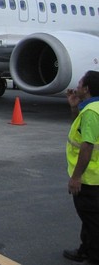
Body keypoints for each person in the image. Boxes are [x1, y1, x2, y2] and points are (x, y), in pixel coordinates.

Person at [63, 70, 99, 263]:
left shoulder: (92, 112)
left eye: (80, 84)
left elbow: (87, 146)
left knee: (92, 221)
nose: (76, 87)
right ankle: (85, 249)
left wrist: (76, 177)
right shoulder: (90, 108)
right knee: (89, 219)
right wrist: (74, 109)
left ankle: (94, 256)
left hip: (90, 177)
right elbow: (80, 131)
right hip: (93, 175)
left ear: (86, 88)